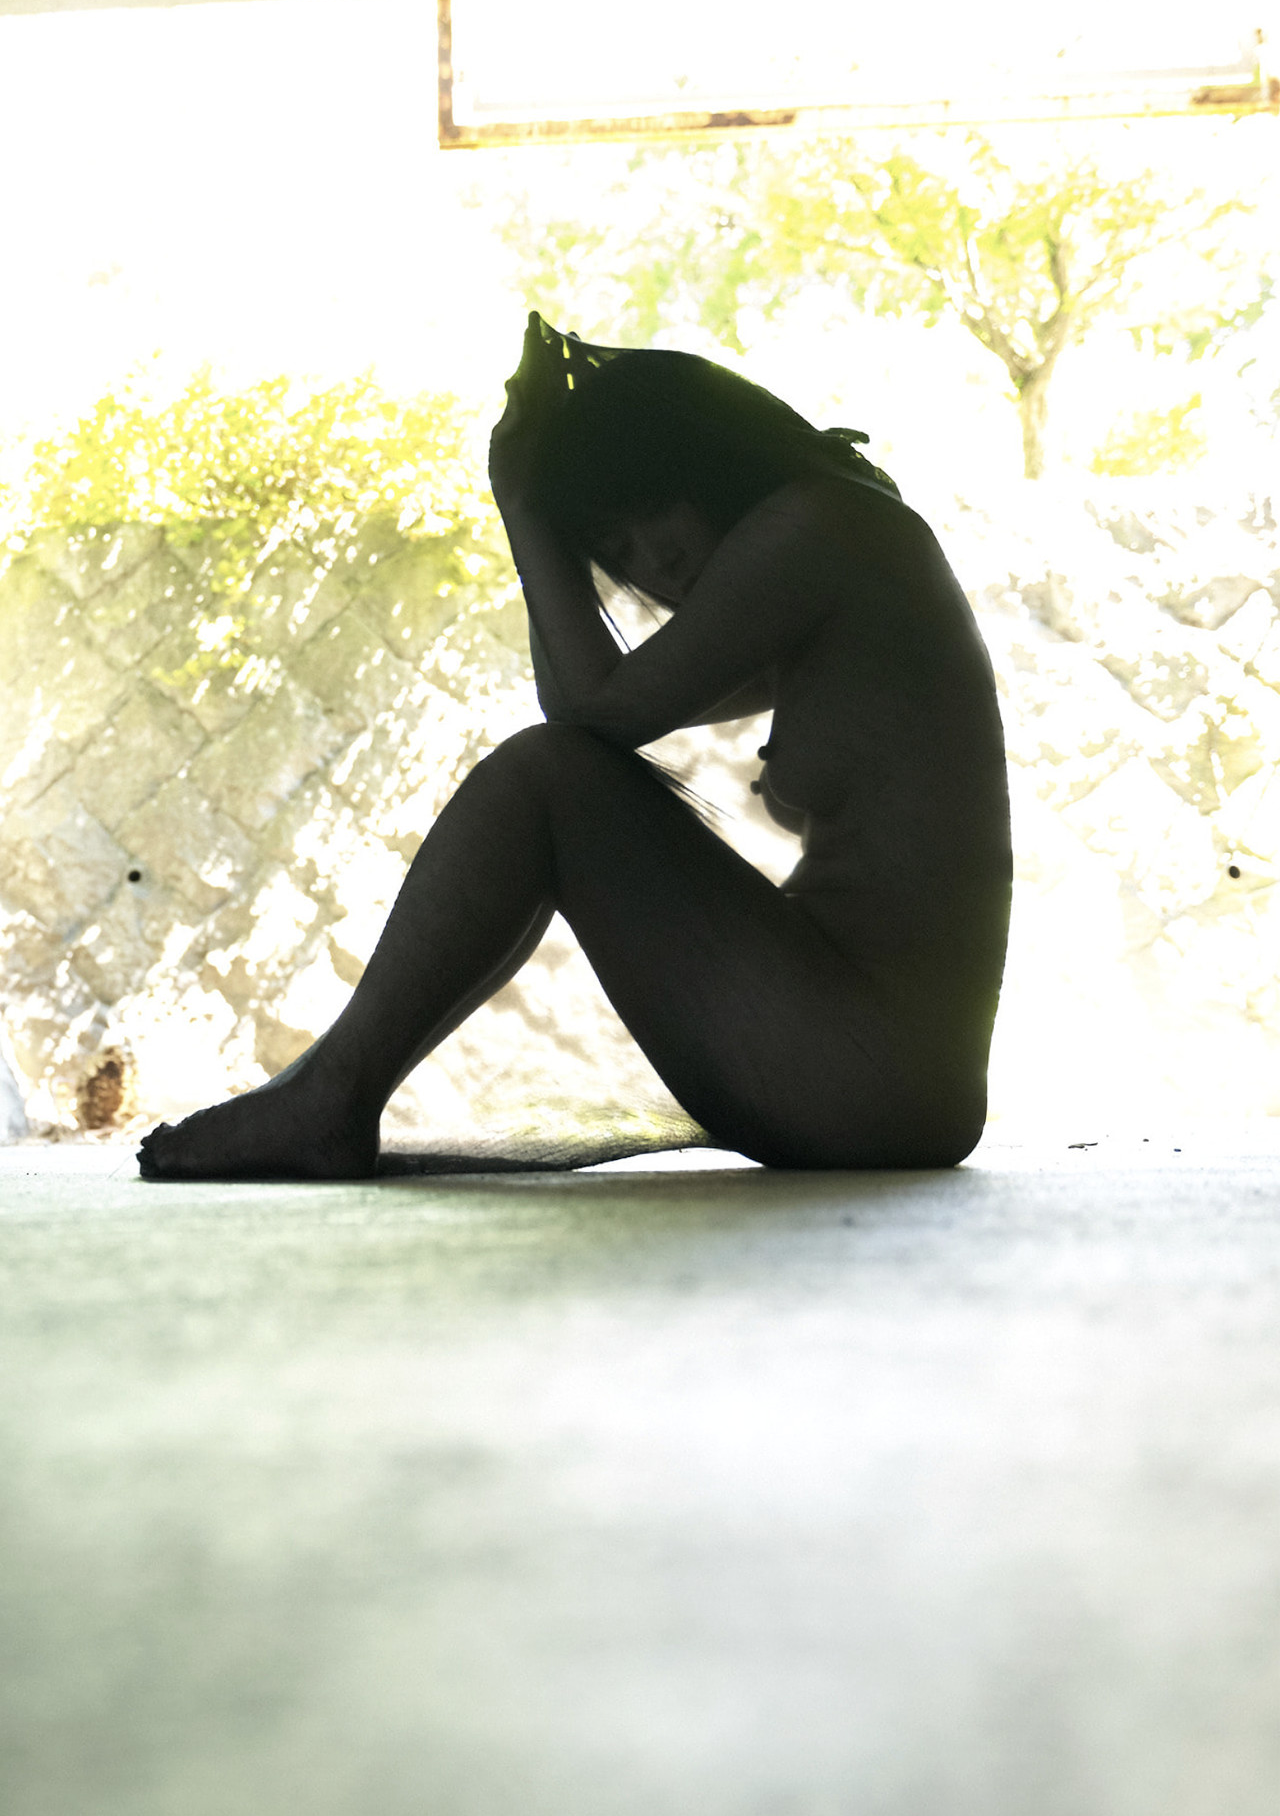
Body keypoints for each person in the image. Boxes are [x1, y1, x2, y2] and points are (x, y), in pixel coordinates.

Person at [138, 313, 1011, 1180]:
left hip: (878, 1068)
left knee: (546, 777)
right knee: (555, 772)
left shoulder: (822, 528)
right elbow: (584, 708)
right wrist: (539, 515)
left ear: (705, 458)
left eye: (653, 512)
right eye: (617, 550)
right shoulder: (839, 546)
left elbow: (590, 716)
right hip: (865, 1054)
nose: (653, 564)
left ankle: (330, 1095)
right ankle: (329, 1091)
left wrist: (522, 504)